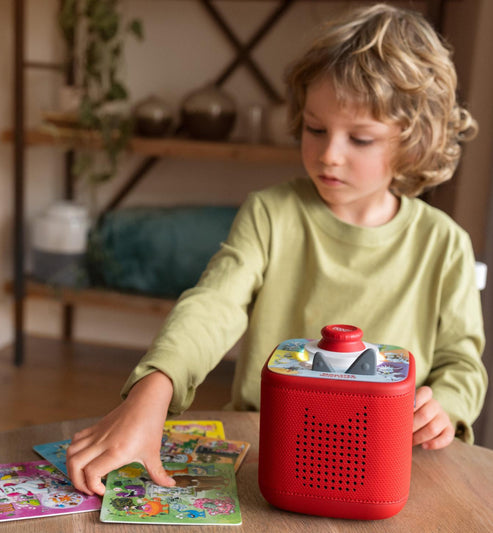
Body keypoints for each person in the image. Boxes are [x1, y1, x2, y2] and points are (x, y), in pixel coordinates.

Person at [66, 3, 488, 496]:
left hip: (386, 465)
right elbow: (213, 306)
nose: (329, 153)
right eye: (315, 128)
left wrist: (447, 406)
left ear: (412, 144)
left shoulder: (445, 245)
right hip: (269, 453)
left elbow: (462, 364)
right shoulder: (271, 213)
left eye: (360, 138)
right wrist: (153, 389)